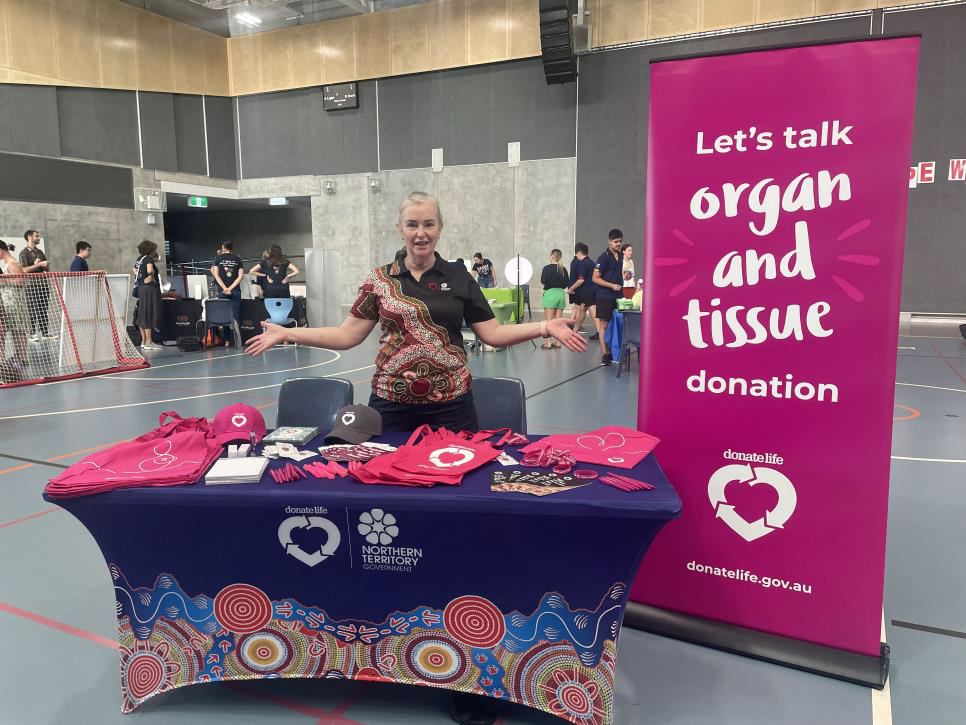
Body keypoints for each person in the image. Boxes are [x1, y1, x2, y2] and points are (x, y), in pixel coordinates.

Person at [247, 191, 585, 433]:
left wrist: (544, 327)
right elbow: (346, 335)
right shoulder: (379, 280)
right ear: (400, 229)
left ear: (440, 227)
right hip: (390, 404)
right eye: (412, 225)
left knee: (456, 490)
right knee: (388, 489)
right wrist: (288, 333)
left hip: (452, 405)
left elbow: (492, 334)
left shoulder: (459, 277)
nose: (420, 233)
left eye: (428, 224)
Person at [592, 228, 624, 366]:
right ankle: (605, 354)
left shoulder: (621, 256)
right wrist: (611, 285)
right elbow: (595, 278)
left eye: (620, 242)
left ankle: (616, 352)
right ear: (609, 241)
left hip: (618, 296)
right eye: (616, 242)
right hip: (604, 296)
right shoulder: (603, 258)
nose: (618, 244)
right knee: (603, 325)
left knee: (617, 323)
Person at [0, 240, 29, 380]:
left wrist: (4, 280)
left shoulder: (12, 263)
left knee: (19, 329)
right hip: (9, 302)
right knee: (13, 329)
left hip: (16, 301)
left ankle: (22, 358)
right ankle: (18, 358)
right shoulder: (7, 264)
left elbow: (20, 281)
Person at [19, 229, 52, 341]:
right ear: (30, 237)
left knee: (43, 309)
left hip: (42, 285)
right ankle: (32, 333)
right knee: (32, 309)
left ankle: (45, 332)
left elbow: (47, 267)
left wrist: (43, 265)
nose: (38, 238)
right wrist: (37, 264)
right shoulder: (24, 253)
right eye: (36, 236)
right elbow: (24, 270)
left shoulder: (40, 252)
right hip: (31, 286)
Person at [211, 241, 244, 345]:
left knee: (224, 316)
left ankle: (227, 341)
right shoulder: (238, 259)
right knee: (236, 316)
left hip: (222, 291)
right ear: (231, 248)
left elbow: (216, 275)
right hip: (235, 291)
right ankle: (237, 341)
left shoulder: (218, 258)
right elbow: (241, 276)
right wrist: (230, 288)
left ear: (223, 248)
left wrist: (225, 288)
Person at [134, 240, 163, 351]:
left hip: (141, 288)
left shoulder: (139, 259)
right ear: (151, 249)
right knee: (149, 313)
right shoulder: (149, 259)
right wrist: (150, 276)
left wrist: (139, 275)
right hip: (149, 289)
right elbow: (150, 270)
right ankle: (149, 342)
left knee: (142, 313)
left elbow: (134, 269)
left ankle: (144, 340)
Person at [539, 249, 569, 349]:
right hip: (560, 294)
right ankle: (558, 343)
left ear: (552, 256)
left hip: (550, 294)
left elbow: (543, 281)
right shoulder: (563, 269)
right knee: (558, 322)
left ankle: (548, 343)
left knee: (549, 322)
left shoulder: (546, 268)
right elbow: (566, 283)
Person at [567, 243, 596, 335]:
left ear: (579, 252)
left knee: (592, 312)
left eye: (576, 253)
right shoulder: (592, 262)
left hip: (588, 292)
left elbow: (581, 280)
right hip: (591, 290)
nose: (576, 256)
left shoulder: (583, 264)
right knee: (582, 310)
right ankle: (575, 330)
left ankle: (600, 332)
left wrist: (571, 288)